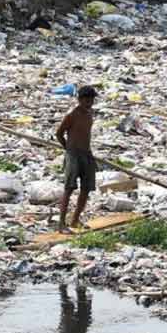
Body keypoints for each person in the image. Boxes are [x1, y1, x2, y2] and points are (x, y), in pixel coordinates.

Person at [56, 85, 98, 232]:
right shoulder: (72, 114)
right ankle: (61, 224)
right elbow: (59, 133)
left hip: (87, 154)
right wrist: (68, 149)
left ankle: (75, 220)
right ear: (79, 99)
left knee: (86, 189)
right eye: (86, 100)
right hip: (73, 154)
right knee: (69, 189)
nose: (89, 103)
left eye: (91, 100)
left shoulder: (90, 113)